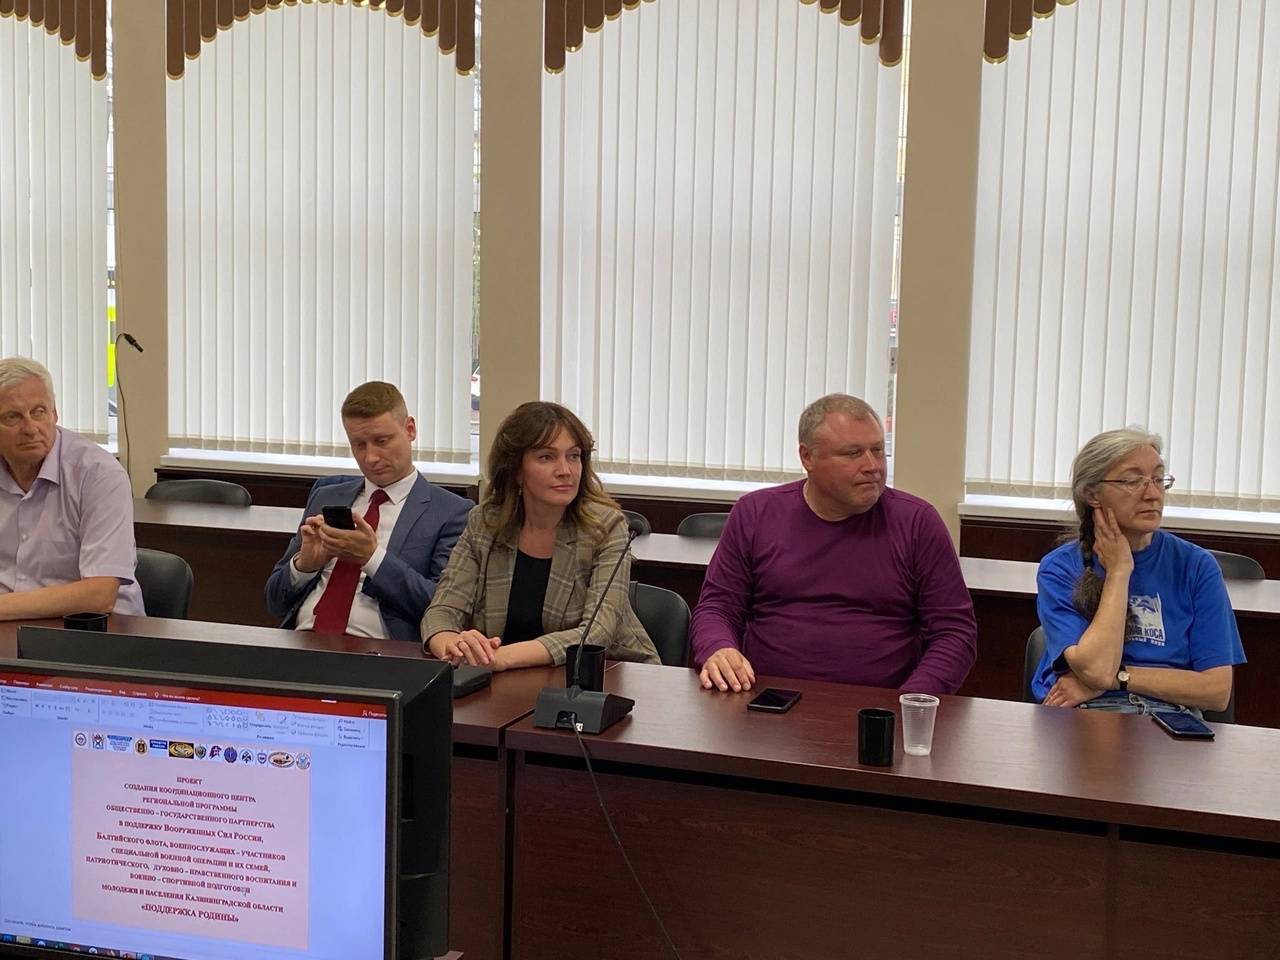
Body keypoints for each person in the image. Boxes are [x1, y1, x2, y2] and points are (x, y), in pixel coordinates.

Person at [690, 393, 977, 694]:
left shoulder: (917, 521)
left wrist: (912, 701)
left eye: (878, 450)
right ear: (807, 457)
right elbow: (718, 607)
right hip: (766, 698)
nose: (873, 466)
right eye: (852, 453)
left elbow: (954, 632)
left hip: (881, 707)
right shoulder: (756, 513)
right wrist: (718, 648)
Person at [422, 401, 659, 670]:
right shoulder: (485, 524)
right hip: (510, 680)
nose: (565, 470)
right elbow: (442, 610)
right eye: (547, 457)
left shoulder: (605, 528)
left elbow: (596, 633)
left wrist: (501, 658)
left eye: (573, 456)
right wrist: (452, 644)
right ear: (516, 470)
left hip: (610, 673)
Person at [1032, 428, 1243, 715]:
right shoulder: (1060, 567)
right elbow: (1096, 669)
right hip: (1086, 712)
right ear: (1092, 494)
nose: (1153, 494)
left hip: (1171, 715)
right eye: (1133, 481)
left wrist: (1121, 678)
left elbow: (1216, 691)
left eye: (1158, 479)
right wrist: (1119, 572)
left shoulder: (1196, 565)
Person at [265, 381, 470, 642]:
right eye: (359, 445)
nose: (370, 457)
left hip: (381, 651)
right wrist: (304, 566)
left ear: (410, 429)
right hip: (304, 641)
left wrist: (372, 558)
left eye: (381, 441)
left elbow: (443, 609)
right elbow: (274, 603)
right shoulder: (326, 495)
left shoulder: (452, 512)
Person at [0, 356, 144, 618]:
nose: (30, 428)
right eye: (13, 417)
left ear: (54, 413)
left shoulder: (98, 474)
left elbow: (99, 595)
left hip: (94, 627)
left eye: (39, 412)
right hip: (10, 623)